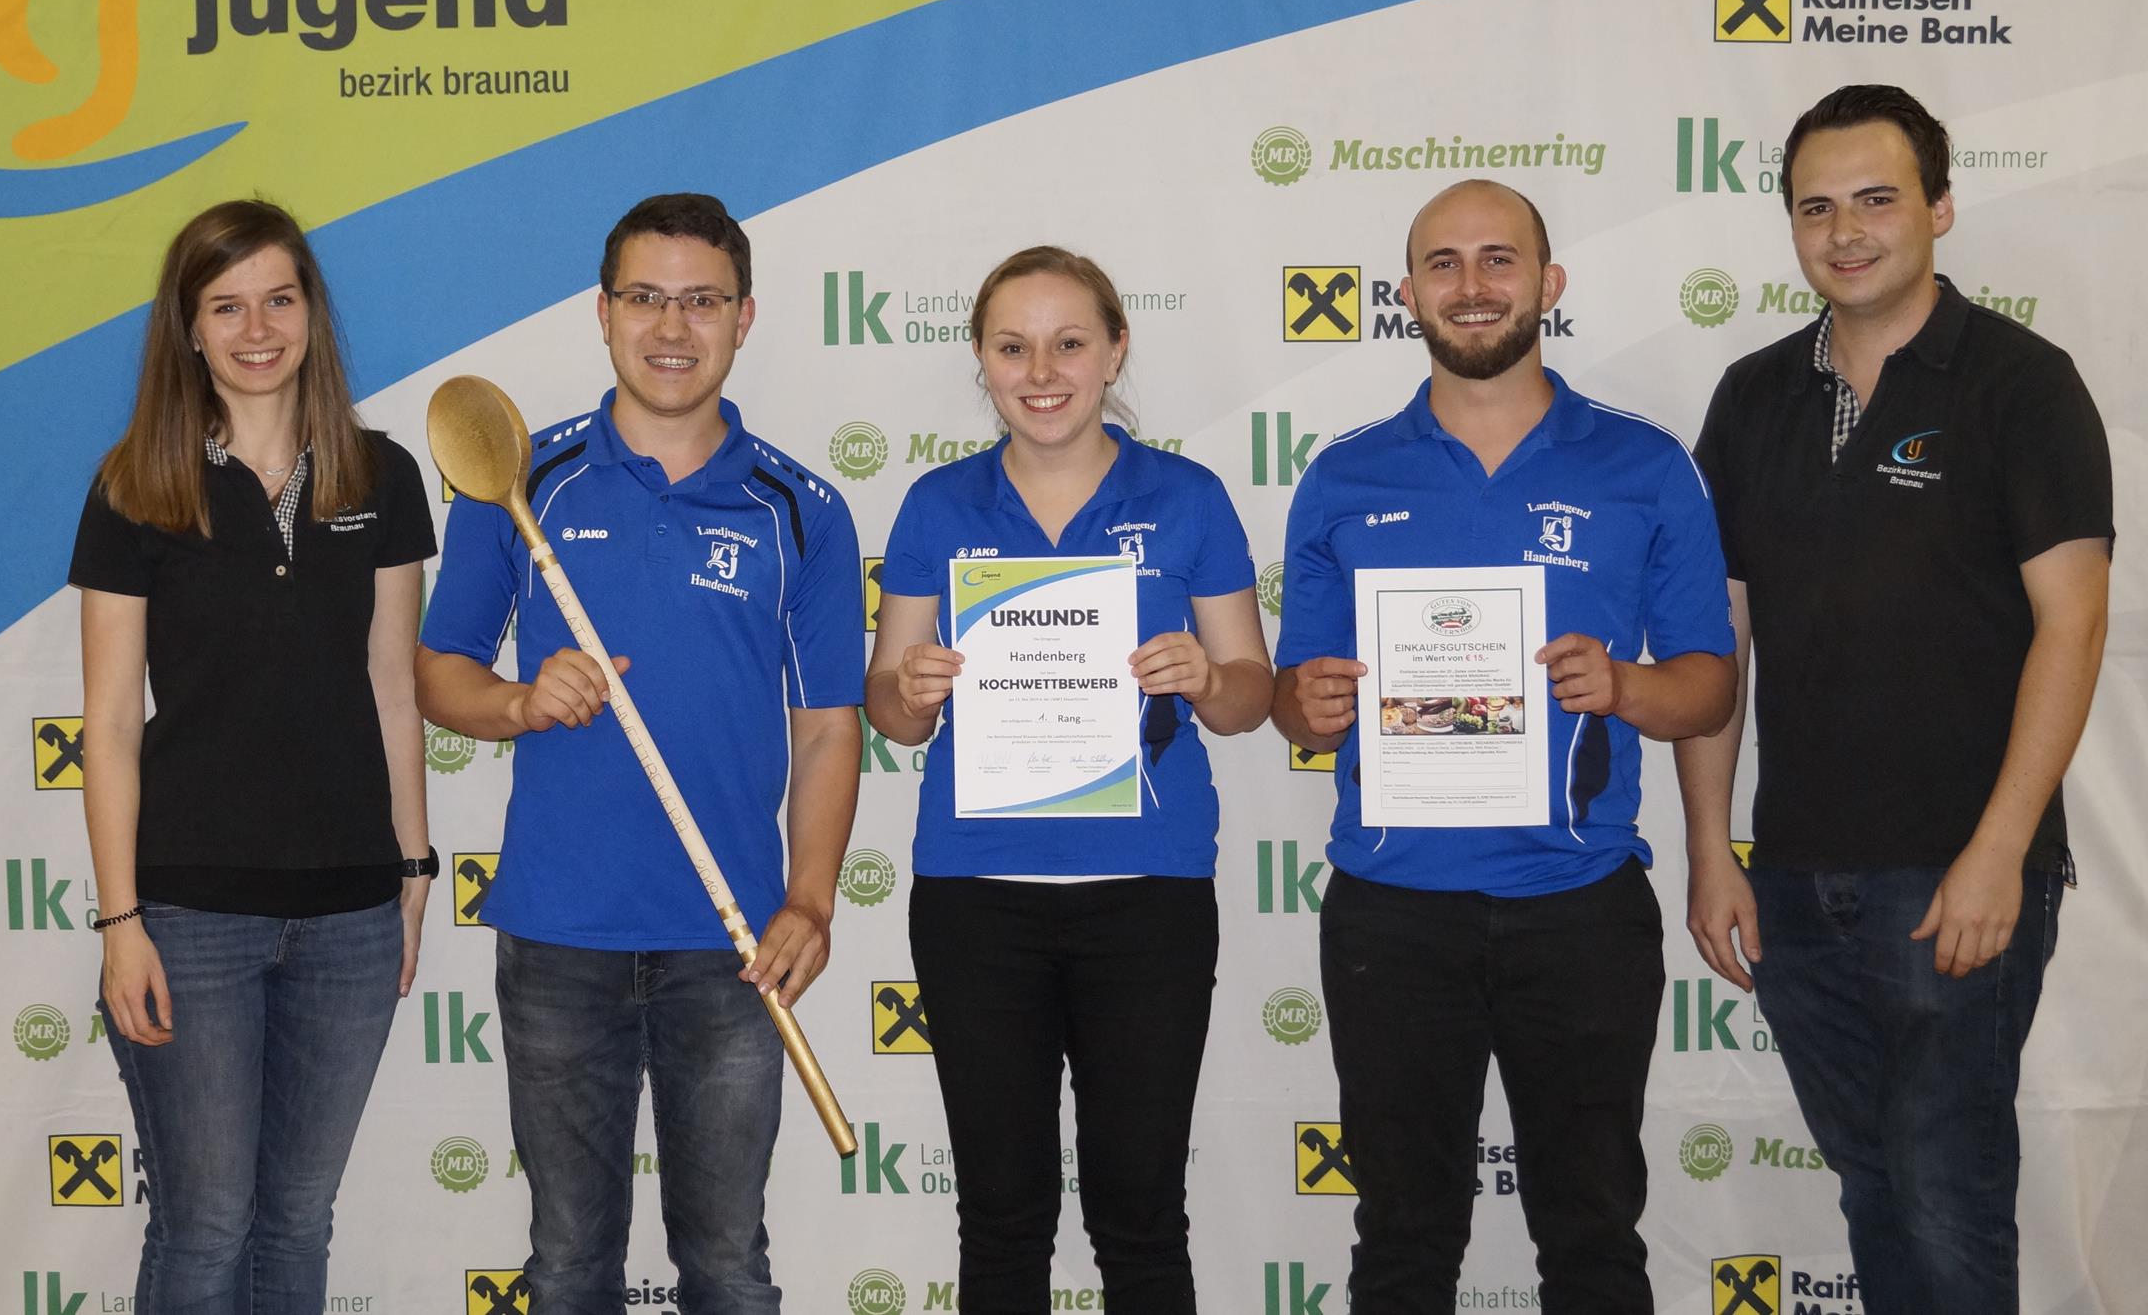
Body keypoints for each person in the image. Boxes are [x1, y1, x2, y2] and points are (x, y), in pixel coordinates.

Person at [1675, 85, 2111, 1314]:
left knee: (1945, 1198)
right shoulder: (1752, 394)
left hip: (1953, 872)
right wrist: (1711, 849)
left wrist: (1999, 850)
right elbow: (1717, 640)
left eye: (1875, 198)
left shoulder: (2019, 383)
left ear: (1940, 207)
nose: (1845, 230)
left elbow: (2073, 624)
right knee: (1874, 1189)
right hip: (1793, 878)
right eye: (1815, 207)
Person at [1269, 180, 1736, 1314]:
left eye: (1498, 259)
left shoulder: (1644, 464)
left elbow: (1710, 687)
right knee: (1401, 1241)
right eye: (1443, 263)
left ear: (1547, 282)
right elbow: (1293, 694)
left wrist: (1623, 685)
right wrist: (1306, 703)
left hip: (1579, 907)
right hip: (1392, 911)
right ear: (1407, 293)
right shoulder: (1343, 473)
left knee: (1592, 1238)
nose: (1471, 285)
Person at [415, 192, 863, 1315]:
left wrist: (810, 899)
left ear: (744, 316)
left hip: (734, 942)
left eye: (701, 300)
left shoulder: (801, 509)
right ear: (603, 312)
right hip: (560, 932)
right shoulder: (519, 479)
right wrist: (521, 701)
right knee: (568, 1268)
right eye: (646, 298)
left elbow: (826, 726)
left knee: (729, 1268)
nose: (672, 327)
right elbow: (439, 673)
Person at [866, 246, 1274, 1314]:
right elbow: (890, 711)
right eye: (1013, 347)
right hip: (975, 898)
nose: (1041, 371)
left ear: (1114, 351)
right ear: (981, 360)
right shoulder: (937, 504)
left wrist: (1207, 675)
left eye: (1068, 343)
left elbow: (1249, 697)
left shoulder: (1186, 498)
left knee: (1141, 1216)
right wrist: (912, 686)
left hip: (1148, 896)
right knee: (1001, 1218)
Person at [70, 199, 438, 1314]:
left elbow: (393, 689)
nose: (257, 328)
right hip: (189, 919)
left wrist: (412, 868)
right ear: (188, 328)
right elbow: (109, 724)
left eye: (279, 299)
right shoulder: (136, 485)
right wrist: (121, 920)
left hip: (350, 916)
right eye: (226, 306)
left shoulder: (381, 475)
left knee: (296, 1220)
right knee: (205, 1226)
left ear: (312, 311)